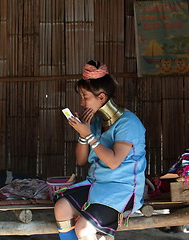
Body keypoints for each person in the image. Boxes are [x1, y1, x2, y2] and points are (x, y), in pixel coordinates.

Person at [54, 60, 147, 240]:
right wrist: (83, 133)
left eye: (85, 97)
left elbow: (113, 162)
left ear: (102, 97)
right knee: (61, 208)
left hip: (122, 190)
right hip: (96, 184)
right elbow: (81, 161)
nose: (81, 103)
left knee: (83, 229)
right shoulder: (96, 122)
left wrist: (89, 135)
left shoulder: (128, 123)